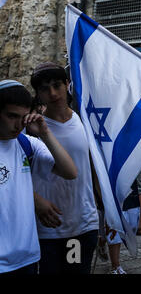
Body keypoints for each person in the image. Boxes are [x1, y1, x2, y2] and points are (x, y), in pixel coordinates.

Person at [0, 79, 77, 275]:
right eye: (11, 116)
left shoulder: (25, 143)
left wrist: (45, 133)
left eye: (23, 117)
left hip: (28, 258)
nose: (18, 124)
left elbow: (70, 171)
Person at [29, 62, 99, 274]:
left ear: (67, 84)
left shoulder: (85, 120)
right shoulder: (32, 129)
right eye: (44, 88)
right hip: (49, 228)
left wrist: (107, 210)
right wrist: (35, 200)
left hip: (81, 224)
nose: (52, 93)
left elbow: (92, 166)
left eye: (57, 85)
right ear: (38, 94)